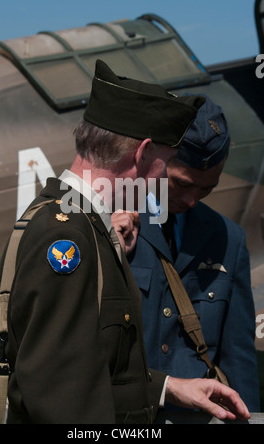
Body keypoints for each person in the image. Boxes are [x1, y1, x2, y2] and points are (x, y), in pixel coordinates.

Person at [0, 60, 250, 424]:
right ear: (143, 154)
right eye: (169, 161)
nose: (165, 176)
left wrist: (167, 388)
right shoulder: (68, 238)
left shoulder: (80, 226)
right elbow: (59, 401)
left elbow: (87, 378)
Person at [114, 95, 260, 418]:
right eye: (181, 184)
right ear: (156, 158)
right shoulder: (112, 221)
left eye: (207, 189)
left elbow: (239, 359)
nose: (193, 200)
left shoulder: (228, 240)